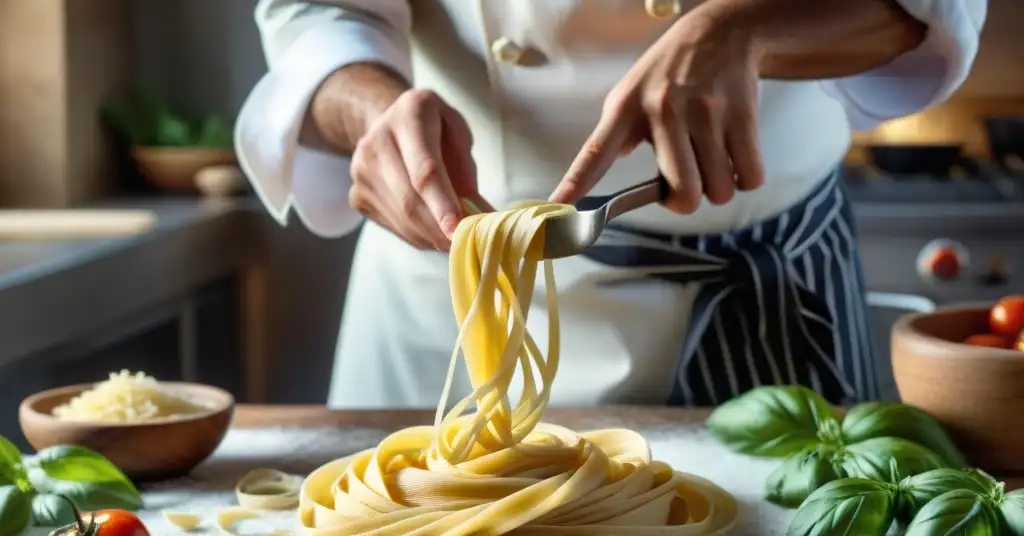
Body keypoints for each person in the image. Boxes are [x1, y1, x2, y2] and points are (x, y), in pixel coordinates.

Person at [237, 0, 986, 409]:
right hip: (451, 295)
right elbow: (317, 13)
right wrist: (375, 113)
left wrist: (748, 26)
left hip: (768, 287)